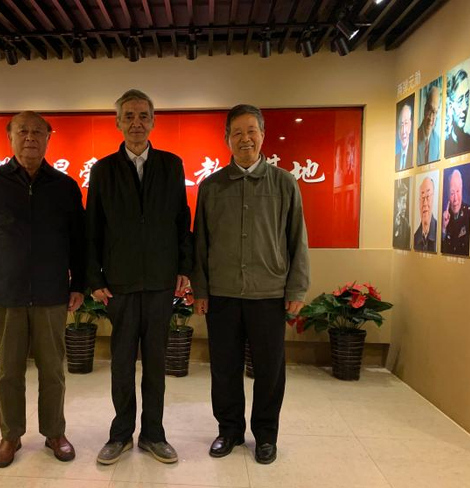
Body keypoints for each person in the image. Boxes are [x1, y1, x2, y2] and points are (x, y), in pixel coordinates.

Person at [0, 111, 85, 467]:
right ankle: (10, 435)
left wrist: (79, 283)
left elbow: (80, 240)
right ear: (10, 137)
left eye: (37, 132)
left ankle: (55, 432)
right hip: (7, 293)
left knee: (53, 370)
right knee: (8, 371)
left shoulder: (64, 186)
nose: (30, 137)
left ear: (48, 137)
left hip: (51, 294)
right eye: (23, 131)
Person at [191, 104, 310, 465]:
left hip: (268, 294)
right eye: (237, 132)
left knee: (269, 370)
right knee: (224, 368)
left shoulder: (284, 183)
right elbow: (200, 242)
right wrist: (200, 289)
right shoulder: (211, 187)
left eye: (251, 131)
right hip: (223, 294)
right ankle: (228, 430)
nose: (245, 139)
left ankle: (266, 436)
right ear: (227, 138)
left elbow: (297, 239)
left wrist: (296, 289)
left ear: (263, 135)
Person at [86, 89, 192, 465]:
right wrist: (94, 277)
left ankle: (153, 435)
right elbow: (92, 227)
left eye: (143, 115)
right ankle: (120, 435)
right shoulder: (103, 170)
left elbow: (182, 220)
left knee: (156, 363)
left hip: (161, 280)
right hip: (120, 282)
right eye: (129, 116)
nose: (136, 122)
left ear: (153, 121)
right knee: (121, 363)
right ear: (118, 122)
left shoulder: (171, 165)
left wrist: (184, 268)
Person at [441, 169, 470, 256]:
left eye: (458, 191)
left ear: (461, 190)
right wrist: (443, 228)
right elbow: (441, 250)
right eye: (452, 193)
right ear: (447, 194)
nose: (455, 199)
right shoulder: (443, 217)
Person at [445, 69, 470, 156]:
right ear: (451, 105)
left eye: (467, 97)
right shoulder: (444, 147)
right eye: (460, 100)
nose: (465, 107)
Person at [417, 86, 441, 165]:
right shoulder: (413, 139)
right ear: (424, 109)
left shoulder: (438, 141)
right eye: (429, 110)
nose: (431, 118)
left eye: (434, 112)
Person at [413, 176, 438, 252]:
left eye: (428, 197)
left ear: (433, 198)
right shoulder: (415, 238)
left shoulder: (439, 232)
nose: (425, 203)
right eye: (422, 198)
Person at [393, 180, 411, 250]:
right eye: (403, 202)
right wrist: (395, 227)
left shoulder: (406, 225)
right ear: (397, 203)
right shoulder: (391, 221)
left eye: (405, 203)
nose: (405, 207)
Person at [395, 102, 414, 171]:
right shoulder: (395, 158)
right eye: (401, 125)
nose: (403, 131)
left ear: (410, 126)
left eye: (406, 123)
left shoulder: (415, 154)